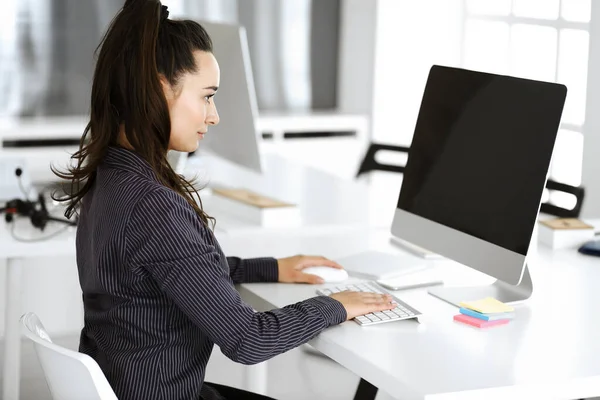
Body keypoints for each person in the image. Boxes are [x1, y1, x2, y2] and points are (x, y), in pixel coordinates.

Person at [53, 1, 395, 399]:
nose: (213, 115)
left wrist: (270, 268)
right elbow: (248, 340)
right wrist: (336, 305)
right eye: (207, 96)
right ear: (160, 88)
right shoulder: (154, 208)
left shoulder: (111, 174)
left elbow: (172, 272)